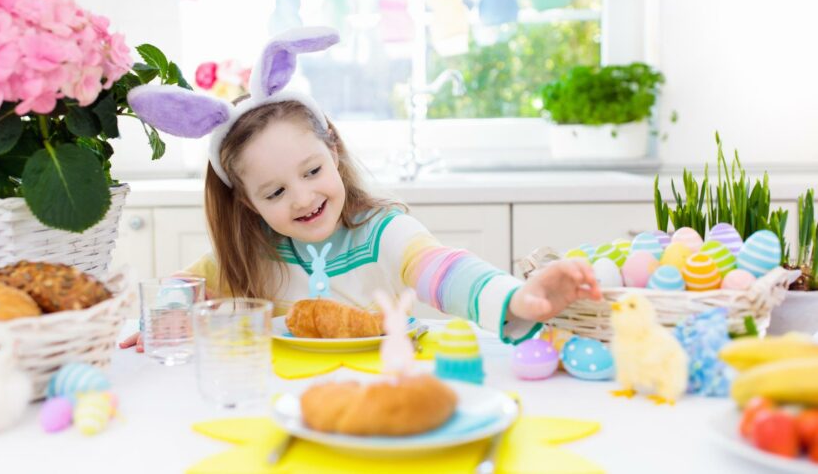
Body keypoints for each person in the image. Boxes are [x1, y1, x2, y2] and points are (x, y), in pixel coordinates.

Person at [120, 26, 601, 352]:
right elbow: (184, 288)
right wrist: (162, 318)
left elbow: (444, 271)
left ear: (333, 148)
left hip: (387, 392)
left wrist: (516, 299)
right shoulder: (251, 253)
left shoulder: (384, 232)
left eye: (311, 172)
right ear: (246, 201)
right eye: (275, 193)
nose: (303, 199)